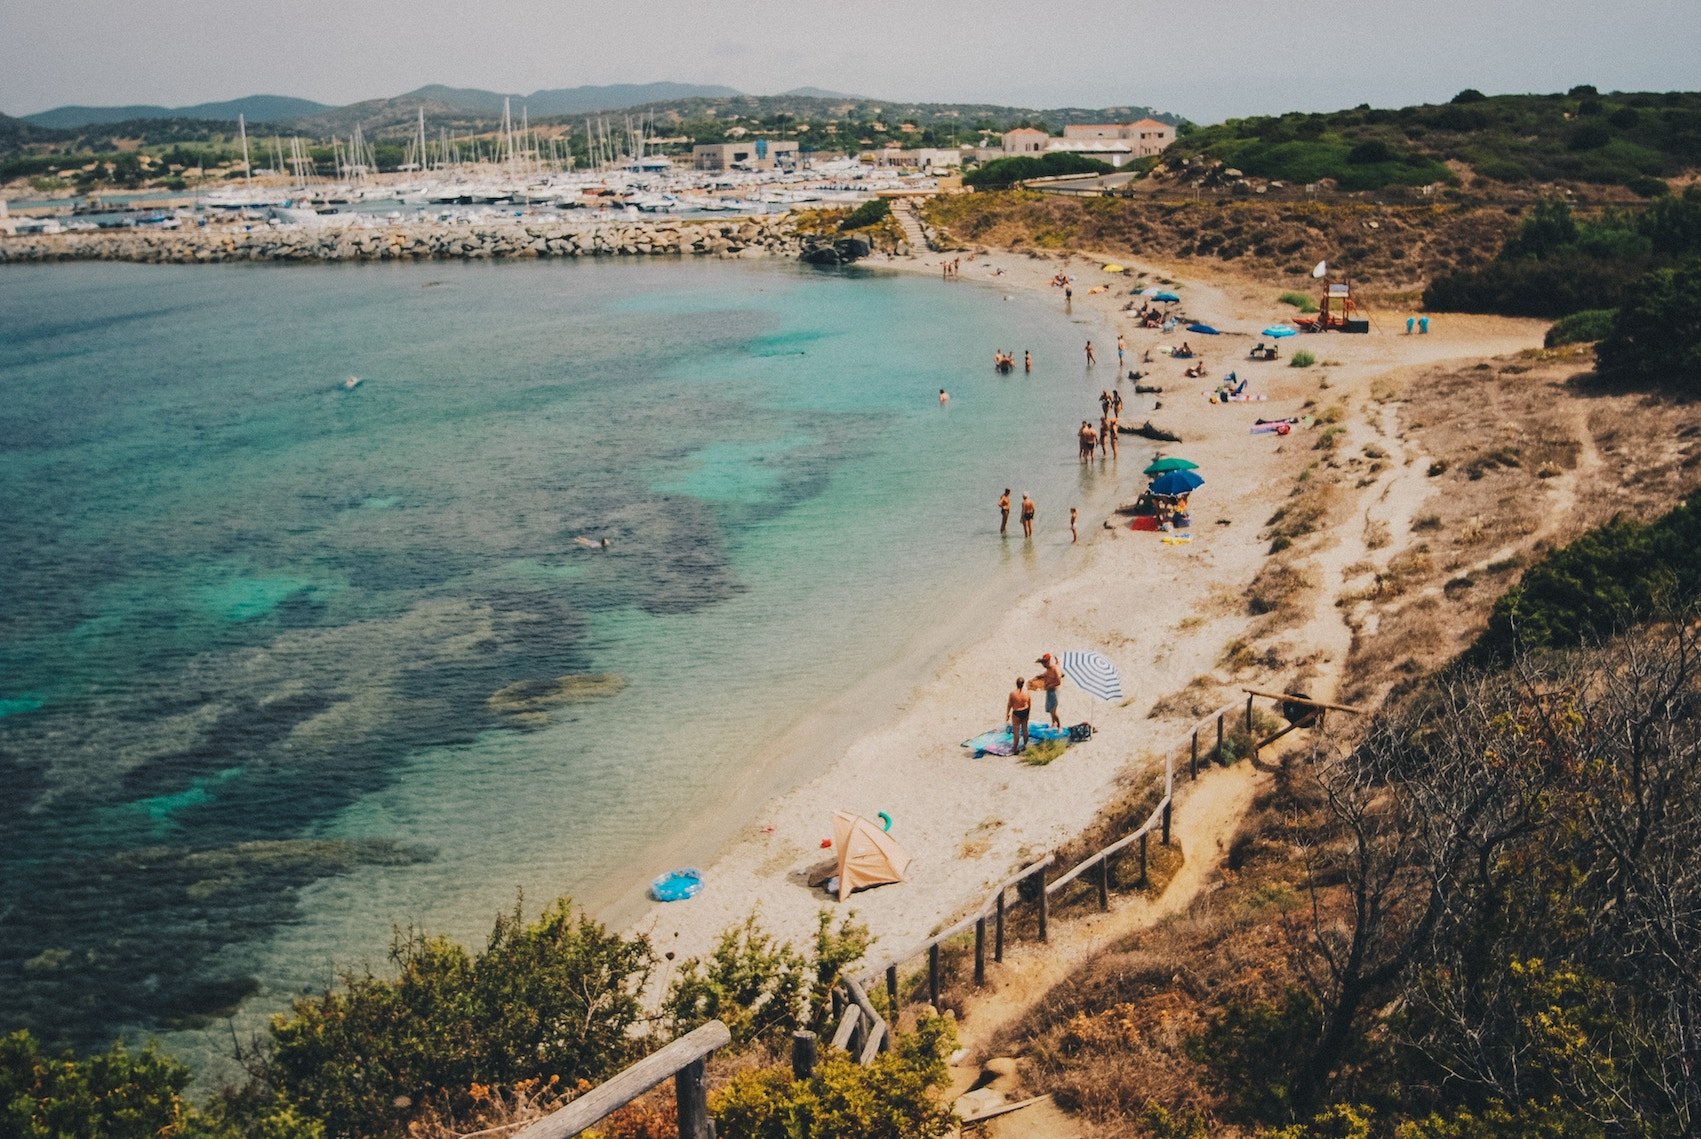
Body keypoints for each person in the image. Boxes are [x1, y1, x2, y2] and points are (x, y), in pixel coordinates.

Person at [1032, 653, 1064, 728]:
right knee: (1050, 710)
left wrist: (1049, 685)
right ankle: (1053, 723)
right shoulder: (1048, 669)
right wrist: (1038, 677)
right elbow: (1045, 674)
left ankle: (1059, 725)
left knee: (1053, 711)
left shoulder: (1055, 669)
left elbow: (1058, 681)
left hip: (1054, 692)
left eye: (1044, 662)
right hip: (1049, 691)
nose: (1043, 665)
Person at [1007, 677, 1032, 752]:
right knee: (1025, 729)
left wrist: (1007, 713)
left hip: (1017, 712)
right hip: (1025, 711)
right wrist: (1028, 712)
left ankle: (1015, 748)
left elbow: (1009, 704)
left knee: (1016, 731)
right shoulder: (1027, 692)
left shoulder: (1012, 694)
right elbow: (1029, 703)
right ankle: (1025, 745)